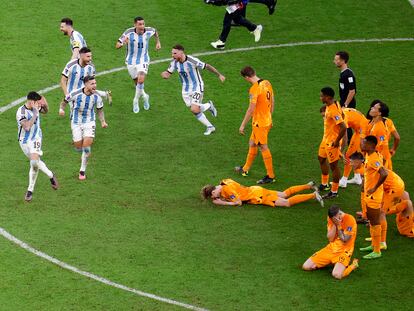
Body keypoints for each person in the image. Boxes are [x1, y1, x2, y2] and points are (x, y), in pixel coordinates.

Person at [161, 44, 225, 135]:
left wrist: (219, 75)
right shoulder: (174, 63)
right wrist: (165, 75)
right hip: (185, 89)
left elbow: (207, 66)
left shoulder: (192, 60)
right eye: (172, 53)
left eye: (175, 53)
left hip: (197, 86)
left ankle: (210, 127)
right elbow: (168, 73)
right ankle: (209, 106)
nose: (172, 55)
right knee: (195, 110)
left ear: (181, 52)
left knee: (194, 109)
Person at [59, 76, 108, 180]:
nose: (95, 85)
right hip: (76, 122)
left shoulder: (97, 96)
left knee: (86, 148)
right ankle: (81, 148)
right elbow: (64, 102)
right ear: (85, 84)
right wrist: (61, 109)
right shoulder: (75, 93)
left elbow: (100, 110)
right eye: (92, 84)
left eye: (95, 83)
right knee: (78, 145)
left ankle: (82, 170)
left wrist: (103, 121)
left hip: (89, 122)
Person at [235, 66, 275, 184]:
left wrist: (242, 125)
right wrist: (270, 117)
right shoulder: (267, 82)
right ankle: (245, 169)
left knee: (263, 146)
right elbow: (272, 100)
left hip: (259, 123)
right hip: (266, 120)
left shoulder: (254, 89)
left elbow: (251, 110)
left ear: (247, 77)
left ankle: (271, 176)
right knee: (252, 143)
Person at [16, 92, 59, 201]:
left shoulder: (37, 106)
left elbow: (46, 111)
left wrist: (44, 105)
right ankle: (51, 175)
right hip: (24, 141)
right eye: (37, 102)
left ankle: (30, 190)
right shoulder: (21, 112)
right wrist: (35, 113)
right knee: (35, 163)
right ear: (31, 101)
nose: (38, 104)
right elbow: (27, 127)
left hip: (36, 138)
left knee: (34, 162)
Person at [351, 137, 388, 259]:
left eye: (363, 143)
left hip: (374, 196)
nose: (361, 144)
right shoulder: (369, 155)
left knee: (375, 222)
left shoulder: (373, 158)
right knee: (372, 221)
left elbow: (384, 173)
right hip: (369, 194)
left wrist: (375, 187)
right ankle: (373, 244)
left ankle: (377, 251)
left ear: (371, 145)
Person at [116, 16, 161, 113]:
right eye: (140, 24)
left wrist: (158, 42)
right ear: (135, 25)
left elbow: (155, 31)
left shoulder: (149, 30)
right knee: (137, 83)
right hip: (131, 61)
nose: (142, 26)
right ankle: (145, 96)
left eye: (143, 24)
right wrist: (123, 43)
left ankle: (135, 100)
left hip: (143, 59)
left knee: (141, 80)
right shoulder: (128, 32)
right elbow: (117, 44)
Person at [302, 205, 358, 279]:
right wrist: (335, 224)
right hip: (331, 248)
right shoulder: (331, 219)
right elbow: (330, 238)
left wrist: (338, 225)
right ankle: (330, 262)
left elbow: (345, 240)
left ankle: (353, 265)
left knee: (337, 275)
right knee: (306, 266)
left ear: (339, 214)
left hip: (344, 251)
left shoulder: (350, 219)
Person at [201, 178, 323, 207]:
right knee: (284, 193)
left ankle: (313, 195)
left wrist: (223, 203)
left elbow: (238, 202)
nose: (214, 198)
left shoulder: (227, 190)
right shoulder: (224, 181)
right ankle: (308, 185)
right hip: (255, 189)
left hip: (257, 195)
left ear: (213, 192)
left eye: (212, 196)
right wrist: (223, 197)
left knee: (286, 202)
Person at [317, 87, 346, 199]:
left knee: (334, 166)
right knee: (321, 159)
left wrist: (337, 141)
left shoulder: (333, 109)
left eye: (322, 96)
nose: (320, 97)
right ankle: (325, 184)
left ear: (328, 97)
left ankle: (334, 191)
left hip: (331, 142)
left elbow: (343, 126)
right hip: (325, 139)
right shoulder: (332, 104)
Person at [338, 107, 369, 187]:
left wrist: (341, 152)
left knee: (349, 155)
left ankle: (343, 181)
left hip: (361, 132)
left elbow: (345, 138)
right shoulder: (344, 110)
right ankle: (357, 177)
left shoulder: (343, 118)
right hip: (360, 130)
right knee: (356, 155)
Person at [365, 100, 400, 170]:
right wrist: (393, 149)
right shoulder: (375, 122)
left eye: (374, 108)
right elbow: (397, 137)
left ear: (379, 113)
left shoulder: (379, 129)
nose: (371, 108)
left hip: (378, 161)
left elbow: (383, 146)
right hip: (377, 159)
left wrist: (381, 165)